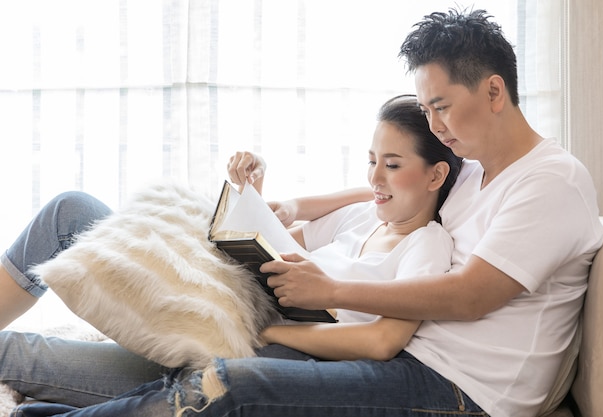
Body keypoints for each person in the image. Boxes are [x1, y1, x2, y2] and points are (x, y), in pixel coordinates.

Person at [14, 7, 603, 417]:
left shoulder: (551, 181)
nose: (435, 126)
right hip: (407, 355)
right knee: (208, 359)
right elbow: (390, 192)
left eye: (443, 107)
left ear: (495, 92)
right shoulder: (469, 170)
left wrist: (331, 286)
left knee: (234, 386)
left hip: (463, 392)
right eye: (426, 109)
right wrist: (300, 205)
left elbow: (473, 295)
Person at [0, 94, 463, 415]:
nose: (375, 178)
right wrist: (254, 191)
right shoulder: (362, 216)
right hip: (224, 316)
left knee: (31, 360)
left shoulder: (429, 245)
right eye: (372, 160)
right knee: (70, 210)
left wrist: (269, 336)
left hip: (265, 358)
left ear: (435, 175)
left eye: (393, 165)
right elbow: (268, 242)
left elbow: (382, 342)